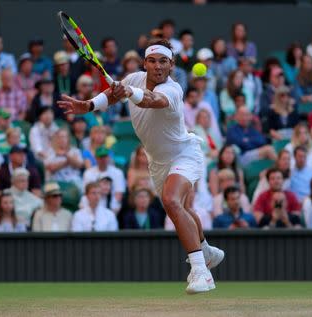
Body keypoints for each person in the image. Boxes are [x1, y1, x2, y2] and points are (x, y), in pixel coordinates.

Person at [58, 39, 224, 294]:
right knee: (185, 208)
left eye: (163, 62)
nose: (158, 66)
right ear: (145, 63)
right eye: (152, 61)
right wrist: (89, 105)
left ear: (171, 66)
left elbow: (151, 100)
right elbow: (111, 94)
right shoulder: (134, 78)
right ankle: (207, 250)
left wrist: (129, 93)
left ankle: (201, 271)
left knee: (171, 201)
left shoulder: (173, 90)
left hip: (184, 154)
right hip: (157, 162)